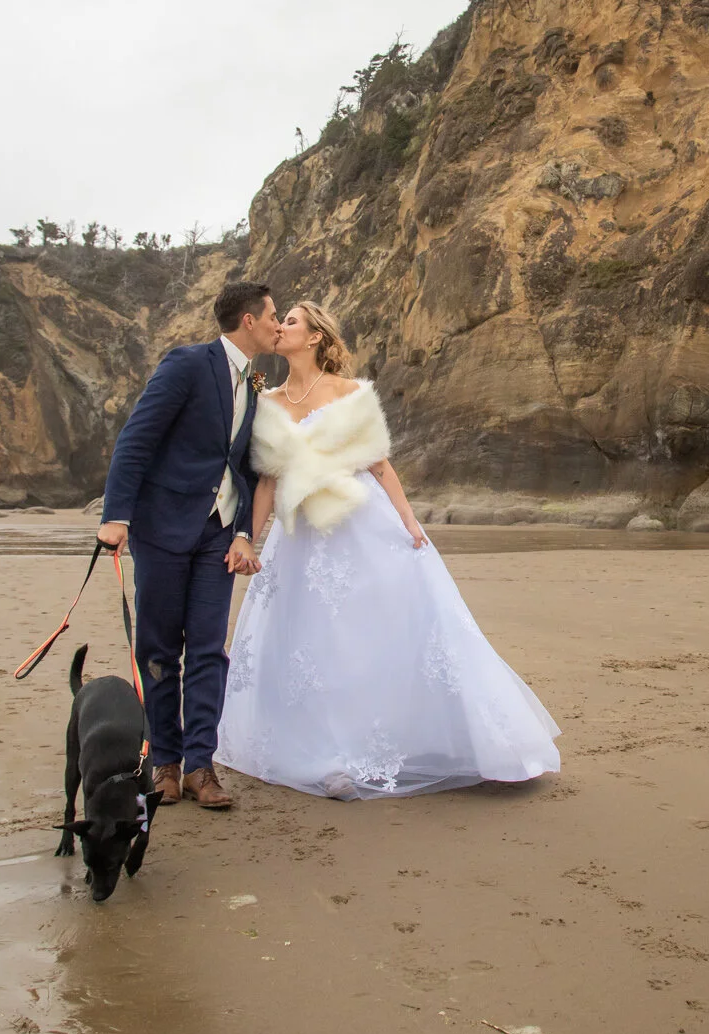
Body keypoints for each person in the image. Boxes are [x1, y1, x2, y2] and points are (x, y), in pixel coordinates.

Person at [215, 300, 561, 799]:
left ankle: (415, 742)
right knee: (316, 641)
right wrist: (247, 537)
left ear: (314, 337)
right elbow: (267, 482)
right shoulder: (264, 401)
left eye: (290, 321)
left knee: (372, 632)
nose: (280, 327)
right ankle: (329, 751)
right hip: (304, 536)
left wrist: (408, 521)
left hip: (363, 525)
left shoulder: (351, 393)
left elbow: (379, 465)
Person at [97, 281, 276, 810]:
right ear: (248, 320)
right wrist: (116, 517)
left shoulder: (257, 383)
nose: (276, 322)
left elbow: (245, 467)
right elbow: (137, 439)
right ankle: (164, 765)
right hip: (162, 528)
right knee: (158, 650)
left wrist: (244, 530)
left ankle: (201, 767)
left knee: (207, 650)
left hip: (217, 535)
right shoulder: (186, 365)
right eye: (271, 315)